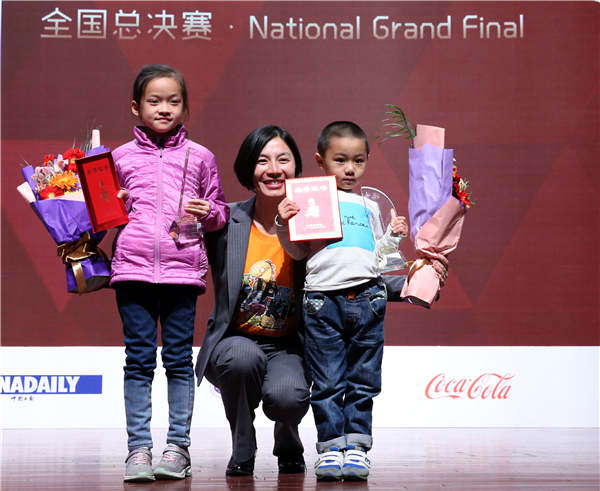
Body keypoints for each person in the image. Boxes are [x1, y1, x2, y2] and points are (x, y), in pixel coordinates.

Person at [276, 121, 448, 481]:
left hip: (368, 299)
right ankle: (330, 447)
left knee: (364, 380)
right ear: (320, 161)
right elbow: (296, 251)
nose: (350, 169)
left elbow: (379, 259)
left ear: (368, 160)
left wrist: (391, 236)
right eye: (340, 160)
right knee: (326, 382)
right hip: (323, 302)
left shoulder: (370, 204)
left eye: (358, 161)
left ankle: (356, 447)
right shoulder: (310, 200)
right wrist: (283, 221)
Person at [111, 64, 229, 482]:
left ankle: (178, 448)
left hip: (182, 272)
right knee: (138, 360)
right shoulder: (118, 158)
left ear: (185, 107)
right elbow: (103, 214)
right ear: (136, 107)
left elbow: (219, 213)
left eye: (173, 101)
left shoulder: (201, 158)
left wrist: (209, 211)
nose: (164, 108)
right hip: (132, 271)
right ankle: (137, 450)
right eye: (154, 100)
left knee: (179, 360)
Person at [195, 125, 311, 477]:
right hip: (236, 339)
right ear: (249, 168)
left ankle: (288, 438)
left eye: (283, 159)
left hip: (288, 345)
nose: (273, 169)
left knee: (287, 397)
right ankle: (242, 445)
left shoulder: (312, 223)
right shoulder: (226, 220)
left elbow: (345, 268)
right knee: (242, 359)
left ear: (296, 168)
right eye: (262, 160)